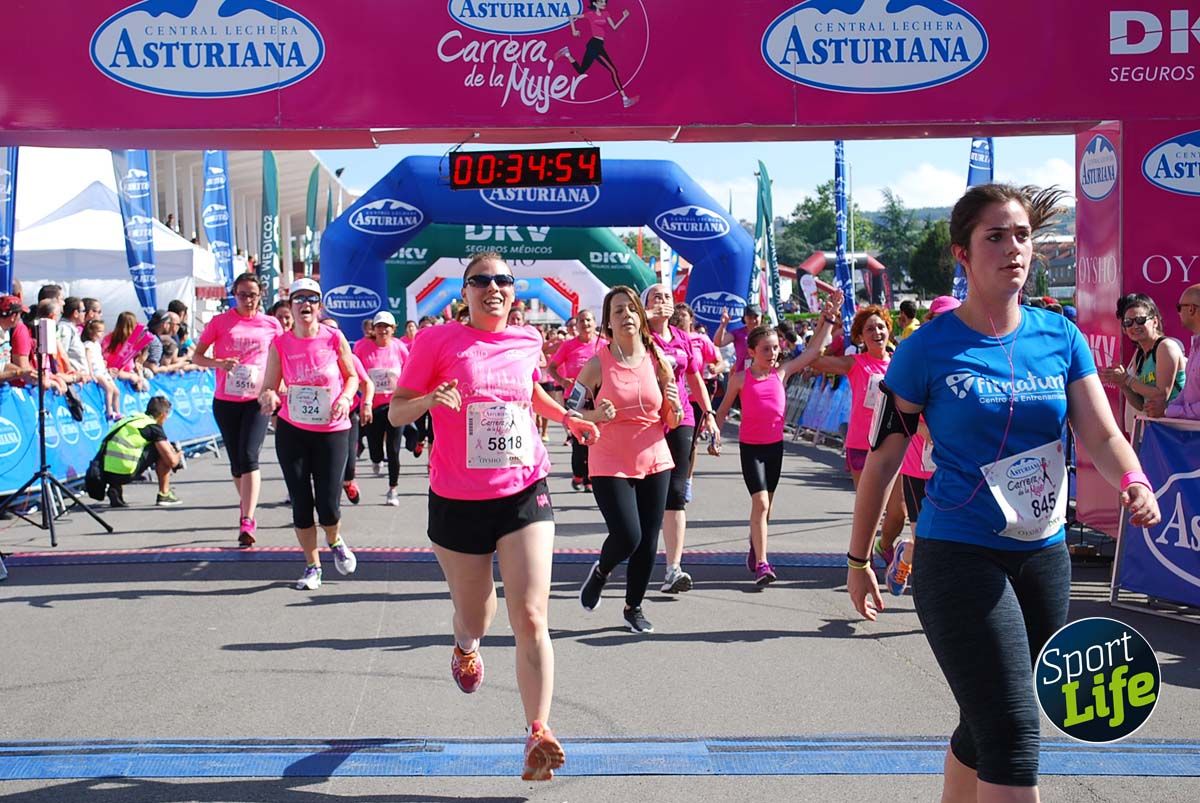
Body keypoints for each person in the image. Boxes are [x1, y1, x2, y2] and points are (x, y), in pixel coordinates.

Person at [847, 183, 1161, 801]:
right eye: (995, 236)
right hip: (958, 552)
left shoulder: (1060, 337)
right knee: (1014, 734)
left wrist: (1134, 480)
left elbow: (1100, 433)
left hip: (1043, 555)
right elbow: (883, 463)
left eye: (1022, 236)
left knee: (994, 716)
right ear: (962, 255)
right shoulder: (926, 349)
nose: (1013, 248)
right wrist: (859, 560)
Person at [389, 252, 597, 781]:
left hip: (523, 488)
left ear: (514, 290)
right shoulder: (435, 342)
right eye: (481, 281)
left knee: (530, 615)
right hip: (458, 497)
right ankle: (464, 647)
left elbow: (529, 392)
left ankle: (538, 732)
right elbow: (396, 410)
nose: (493, 288)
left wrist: (569, 417)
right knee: (477, 616)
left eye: (502, 280)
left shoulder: (527, 339)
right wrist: (431, 397)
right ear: (465, 292)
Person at [575, 286, 681, 630]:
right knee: (628, 535)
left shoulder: (658, 360)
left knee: (649, 539)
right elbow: (568, 411)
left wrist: (676, 408)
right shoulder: (596, 364)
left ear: (641, 316)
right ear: (608, 322)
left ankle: (633, 607)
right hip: (609, 457)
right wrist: (594, 415)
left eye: (631, 309)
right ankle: (602, 570)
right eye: (617, 311)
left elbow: (670, 417)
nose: (626, 316)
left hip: (653, 455)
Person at [789, 297, 909, 569]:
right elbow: (815, 360)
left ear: (888, 329)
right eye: (870, 329)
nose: (877, 333)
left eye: (881, 327)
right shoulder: (854, 363)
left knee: (898, 512)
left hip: (894, 444)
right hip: (861, 444)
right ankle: (861, 561)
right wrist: (826, 323)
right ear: (860, 336)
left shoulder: (902, 362)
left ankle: (884, 544)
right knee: (869, 510)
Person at [258, 278, 360, 591]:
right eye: (299, 299)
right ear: (289, 306)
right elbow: (268, 387)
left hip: (332, 430)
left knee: (328, 505)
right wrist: (269, 398)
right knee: (301, 502)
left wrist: (344, 398)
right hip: (293, 430)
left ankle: (335, 539)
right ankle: (312, 565)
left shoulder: (333, 337)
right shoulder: (281, 343)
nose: (305, 305)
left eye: (312, 299)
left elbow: (352, 376)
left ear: (319, 306)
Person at [714, 323, 823, 585]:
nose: (773, 353)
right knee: (761, 503)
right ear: (751, 351)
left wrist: (827, 320)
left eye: (776, 347)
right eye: (766, 349)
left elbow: (813, 352)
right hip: (751, 448)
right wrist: (715, 436)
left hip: (775, 448)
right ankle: (763, 564)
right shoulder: (740, 379)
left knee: (766, 507)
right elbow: (722, 410)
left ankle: (756, 546)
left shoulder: (781, 373)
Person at [193, 273, 283, 547]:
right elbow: (197, 356)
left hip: (257, 400)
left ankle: (248, 518)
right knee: (236, 464)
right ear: (234, 294)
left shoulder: (271, 324)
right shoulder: (220, 322)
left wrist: (280, 389)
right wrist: (219, 363)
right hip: (226, 400)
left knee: (249, 456)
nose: (247, 300)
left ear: (261, 296)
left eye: (252, 295)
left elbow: (283, 356)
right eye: (242, 294)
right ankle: (246, 504)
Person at [643, 284, 719, 593]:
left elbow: (695, 378)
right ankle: (638, 557)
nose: (662, 301)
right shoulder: (637, 336)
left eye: (666, 297)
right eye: (655, 297)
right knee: (647, 492)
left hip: (682, 416)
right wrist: (643, 317)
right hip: (646, 419)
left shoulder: (684, 339)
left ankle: (673, 568)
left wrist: (710, 413)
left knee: (675, 491)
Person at [886, 294, 961, 595]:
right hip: (919, 468)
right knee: (925, 539)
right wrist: (923, 428)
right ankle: (907, 552)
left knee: (954, 538)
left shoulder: (969, 358)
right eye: (941, 320)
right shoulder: (916, 357)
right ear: (930, 321)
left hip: (954, 469)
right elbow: (895, 410)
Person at [1098, 293, 1186, 430]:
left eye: (1140, 320)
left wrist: (1127, 379)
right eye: (1128, 322)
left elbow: (1161, 395)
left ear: (1155, 321)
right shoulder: (1141, 355)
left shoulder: (1165, 347)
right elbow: (1141, 404)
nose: (1134, 326)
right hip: (1156, 431)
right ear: (1124, 329)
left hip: (1176, 432)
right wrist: (1122, 385)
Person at [353, 311, 413, 505]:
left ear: (393, 329)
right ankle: (376, 460)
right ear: (374, 329)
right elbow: (354, 372)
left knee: (394, 450)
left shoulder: (399, 348)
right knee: (376, 450)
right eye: (379, 326)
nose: (383, 330)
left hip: (394, 405)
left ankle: (393, 489)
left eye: (387, 327)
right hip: (372, 405)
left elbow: (410, 370)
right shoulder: (363, 347)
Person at [548, 308, 603, 490]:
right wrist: (562, 381)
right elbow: (552, 368)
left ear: (595, 323)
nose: (585, 324)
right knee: (580, 441)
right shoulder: (568, 345)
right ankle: (579, 473)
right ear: (576, 325)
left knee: (596, 439)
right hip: (575, 400)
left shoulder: (603, 344)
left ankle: (590, 479)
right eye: (581, 321)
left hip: (597, 399)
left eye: (588, 320)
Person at [101, 396, 183, 507]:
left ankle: (115, 488)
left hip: (105, 472)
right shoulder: (153, 427)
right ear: (163, 415)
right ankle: (164, 494)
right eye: (167, 416)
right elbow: (172, 462)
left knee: (127, 450)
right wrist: (178, 455)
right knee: (160, 450)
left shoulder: (132, 419)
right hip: (125, 472)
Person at [557, 0, 638, 108]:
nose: (604, 3)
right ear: (595, 3)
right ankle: (625, 99)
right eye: (601, 1)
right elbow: (571, 17)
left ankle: (567, 53)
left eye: (605, 1)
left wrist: (624, 17)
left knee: (581, 70)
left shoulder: (606, 14)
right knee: (613, 70)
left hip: (597, 45)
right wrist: (574, 31)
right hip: (595, 45)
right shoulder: (590, 14)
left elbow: (614, 27)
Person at [1152, 284, 1199, 420]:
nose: (1178, 313)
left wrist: (1168, 411)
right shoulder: (1196, 345)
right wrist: (1166, 408)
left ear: (1191, 309)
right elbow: (1188, 393)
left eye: (1180, 307)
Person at [81, 320, 122, 420]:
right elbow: (88, 360)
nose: (102, 334)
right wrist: (91, 373)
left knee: (116, 392)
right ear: (91, 332)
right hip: (97, 372)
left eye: (103, 331)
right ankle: (109, 411)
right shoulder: (88, 345)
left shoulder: (97, 345)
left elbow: (98, 357)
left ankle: (117, 412)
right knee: (109, 389)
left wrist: (104, 364)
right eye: (99, 331)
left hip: (103, 371)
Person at [714, 303, 762, 374]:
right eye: (749, 317)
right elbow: (718, 343)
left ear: (761, 317)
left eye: (756, 317)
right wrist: (723, 325)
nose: (753, 321)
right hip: (742, 376)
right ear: (744, 318)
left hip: (761, 375)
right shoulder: (738, 333)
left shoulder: (767, 334)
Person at [0, 294, 34, 386]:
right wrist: (18, 373)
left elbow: (4, 366)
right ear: (13, 316)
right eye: (20, 314)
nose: (20, 319)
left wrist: (28, 373)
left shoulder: (5, 332)